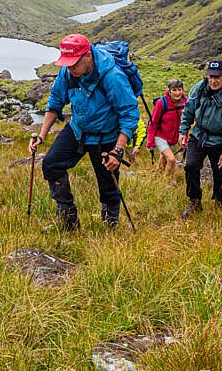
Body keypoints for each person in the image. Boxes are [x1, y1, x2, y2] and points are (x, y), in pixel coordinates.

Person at [29, 34, 140, 230]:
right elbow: (55, 102)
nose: (70, 68)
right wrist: (41, 135)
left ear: (88, 56)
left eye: (74, 64)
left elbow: (130, 115)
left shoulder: (113, 76)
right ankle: (67, 218)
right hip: (78, 129)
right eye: (67, 64)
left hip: (106, 136)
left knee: (108, 181)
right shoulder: (68, 72)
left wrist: (118, 150)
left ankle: (110, 222)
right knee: (51, 164)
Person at [178, 60, 222, 216]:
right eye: (210, 77)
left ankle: (219, 201)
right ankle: (194, 201)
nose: (213, 81)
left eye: (217, 77)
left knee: (220, 171)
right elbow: (188, 110)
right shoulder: (200, 88)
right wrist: (183, 131)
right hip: (199, 135)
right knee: (191, 166)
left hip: (221, 139)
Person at [144, 79, 187, 178]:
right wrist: (150, 142)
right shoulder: (162, 103)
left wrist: (185, 139)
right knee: (171, 159)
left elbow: (186, 123)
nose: (177, 93)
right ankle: (167, 181)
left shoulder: (186, 102)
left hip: (173, 138)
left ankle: (157, 177)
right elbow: (153, 123)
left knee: (164, 157)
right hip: (160, 136)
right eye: (174, 90)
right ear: (169, 91)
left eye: (180, 89)